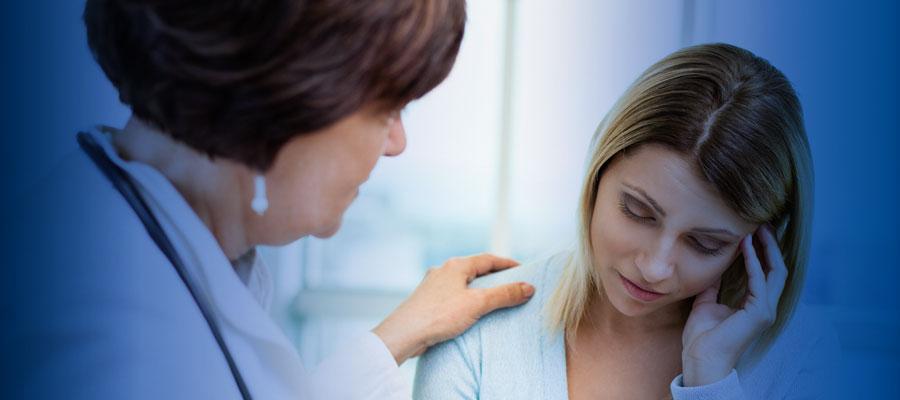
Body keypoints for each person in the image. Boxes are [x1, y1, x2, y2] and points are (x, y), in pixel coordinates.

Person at [2, 1, 536, 399]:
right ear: (280, 99)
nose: (398, 143)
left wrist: (398, 335)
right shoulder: (100, 347)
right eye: (387, 110)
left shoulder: (139, 234)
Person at [413, 43, 840, 399]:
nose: (654, 267)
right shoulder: (475, 330)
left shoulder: (802, 358)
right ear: (599, 173)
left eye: (705, 244)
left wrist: (710, 381)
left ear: (759, 242)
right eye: (638, 212)